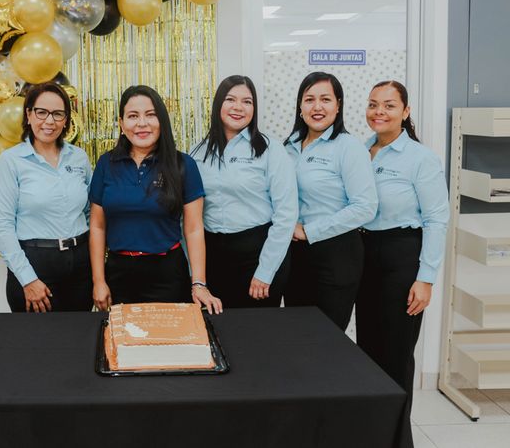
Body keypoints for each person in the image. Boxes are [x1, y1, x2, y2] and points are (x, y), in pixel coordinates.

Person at [357, 80, 449, 448]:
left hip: (401, 254)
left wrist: (425, 278)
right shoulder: (360, 151)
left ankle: (398, 440)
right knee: (368, 352)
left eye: (389, 105)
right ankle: (373, 433)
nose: (379, 112)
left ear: (405, 112)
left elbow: (437, 220)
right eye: (373, 104)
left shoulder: (420, 158)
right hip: (365, 252)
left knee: (395, 355)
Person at [88, 85, 222, 314]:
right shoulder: (106, 164)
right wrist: (99, 281)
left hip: (168, 274)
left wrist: (199, 283)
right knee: (122, 345)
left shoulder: (183, 165)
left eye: (151, 115)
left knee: (167, 345)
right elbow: (98, 226)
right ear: (121, 124)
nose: (142, 123)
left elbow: (193, 228)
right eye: (133, 116)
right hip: (118, 274)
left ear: (162, 121)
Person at [192, 76, 298, 308]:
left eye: (247, 101)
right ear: (218, 104)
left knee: (255, 335)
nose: (238, 107)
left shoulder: (271, 150)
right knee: (217, 332)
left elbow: (286, 215)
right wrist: (196, 276)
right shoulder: (197, 152)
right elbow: (189, 218)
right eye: (230, 99)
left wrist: (266, 271)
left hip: (258, 255)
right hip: (213, 258)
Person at [283, 71, 377, 330]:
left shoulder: (348, 147)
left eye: (325, 99)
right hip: (295, 256)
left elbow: (365, 206)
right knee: (296, 336)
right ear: (300, 106)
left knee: (326, 341)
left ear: (338, 105)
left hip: (336, 255)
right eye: (309, 99)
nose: (317, 107)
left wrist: (308, 231)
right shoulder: (287, 147)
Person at [0, 82, 93, 313]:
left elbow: (89, 211)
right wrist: (27, 279)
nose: (50, 121)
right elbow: (3, 225)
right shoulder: (12, 161)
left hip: (80, 265)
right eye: (41, 112)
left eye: (58, 114)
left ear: (66, 119)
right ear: (28, 114)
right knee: (37, 345)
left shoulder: (78, 158)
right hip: (35, 265)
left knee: (80, 340)